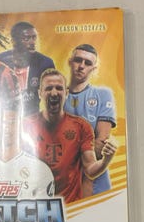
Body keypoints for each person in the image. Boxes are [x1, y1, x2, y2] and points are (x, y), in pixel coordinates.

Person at [22, 69, 117, 204]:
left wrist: (106, 160)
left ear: (66, 93)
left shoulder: (81, 127)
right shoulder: (25, 126)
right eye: (48, 88)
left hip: (70, 209)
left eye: (59, 88)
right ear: (40, 93)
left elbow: (90, 170)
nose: (54, 93)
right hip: (36, 207)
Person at [64, 44, 117, 196]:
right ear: (70, 61)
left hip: (96, 185)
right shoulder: (56, 95)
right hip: (65, 186)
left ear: (93, 69)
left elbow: (101, 142)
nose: (81, 66)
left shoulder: (103, 94)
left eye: (87, 63)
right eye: (78, 60)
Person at [0, 21, 55, 116]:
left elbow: (52, 94)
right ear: (13, 41)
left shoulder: (45, 63)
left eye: (34, 38)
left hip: (33, 118)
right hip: (5, 117)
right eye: (26, 39)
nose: (32, 42)